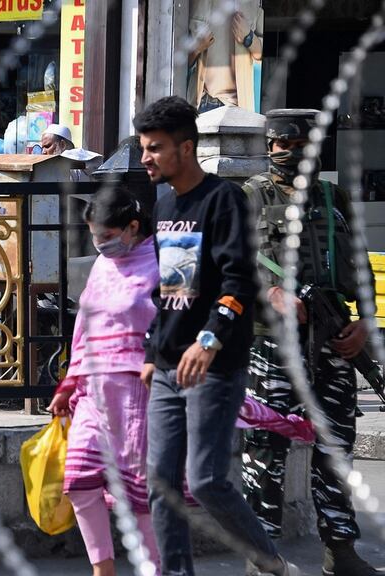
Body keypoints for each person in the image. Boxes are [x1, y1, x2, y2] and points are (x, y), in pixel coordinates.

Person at [135, 96, 299, 576]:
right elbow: (174, 286)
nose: (146, 158)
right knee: (161, 483)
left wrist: (207, 342)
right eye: (144, 147)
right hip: (168, 367)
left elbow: (239, 283)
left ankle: (271, 563)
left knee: (205, 480)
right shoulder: (165, 203)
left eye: (155, 148)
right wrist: (152, 351)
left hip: (214, 365)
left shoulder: (223, 201)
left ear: (187, 148)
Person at [241, 109, 381, 576]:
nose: (289, 155)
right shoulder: (250, 197)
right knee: (267, 447)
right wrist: (271, 292)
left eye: (301, 147)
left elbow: (357, 261)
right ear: (270, 145)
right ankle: (263, 557)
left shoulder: (332, 196)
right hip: (273, 344)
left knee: (337, 445)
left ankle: (341, 551)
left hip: (334, 340)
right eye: (282, 146)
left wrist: (365, 320)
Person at [47, 186, 162, 576]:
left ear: (133, 227)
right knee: (79, 480)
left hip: (138, 391)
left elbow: (180, 322)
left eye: (107, 237)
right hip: (92, 389)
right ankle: (103, 570)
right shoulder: (101, 266)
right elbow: (85, 324)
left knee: (138, 494)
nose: (100, 245)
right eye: (94, 237)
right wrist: (67, 383)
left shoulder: (162, 262)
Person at [188, 0, 264, 113]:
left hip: (239, 107)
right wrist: (197, 48)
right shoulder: (199, 3)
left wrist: (248, 37)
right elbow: (176, 62)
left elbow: (261, 55)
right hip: (202, 103)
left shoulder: (253, 4)